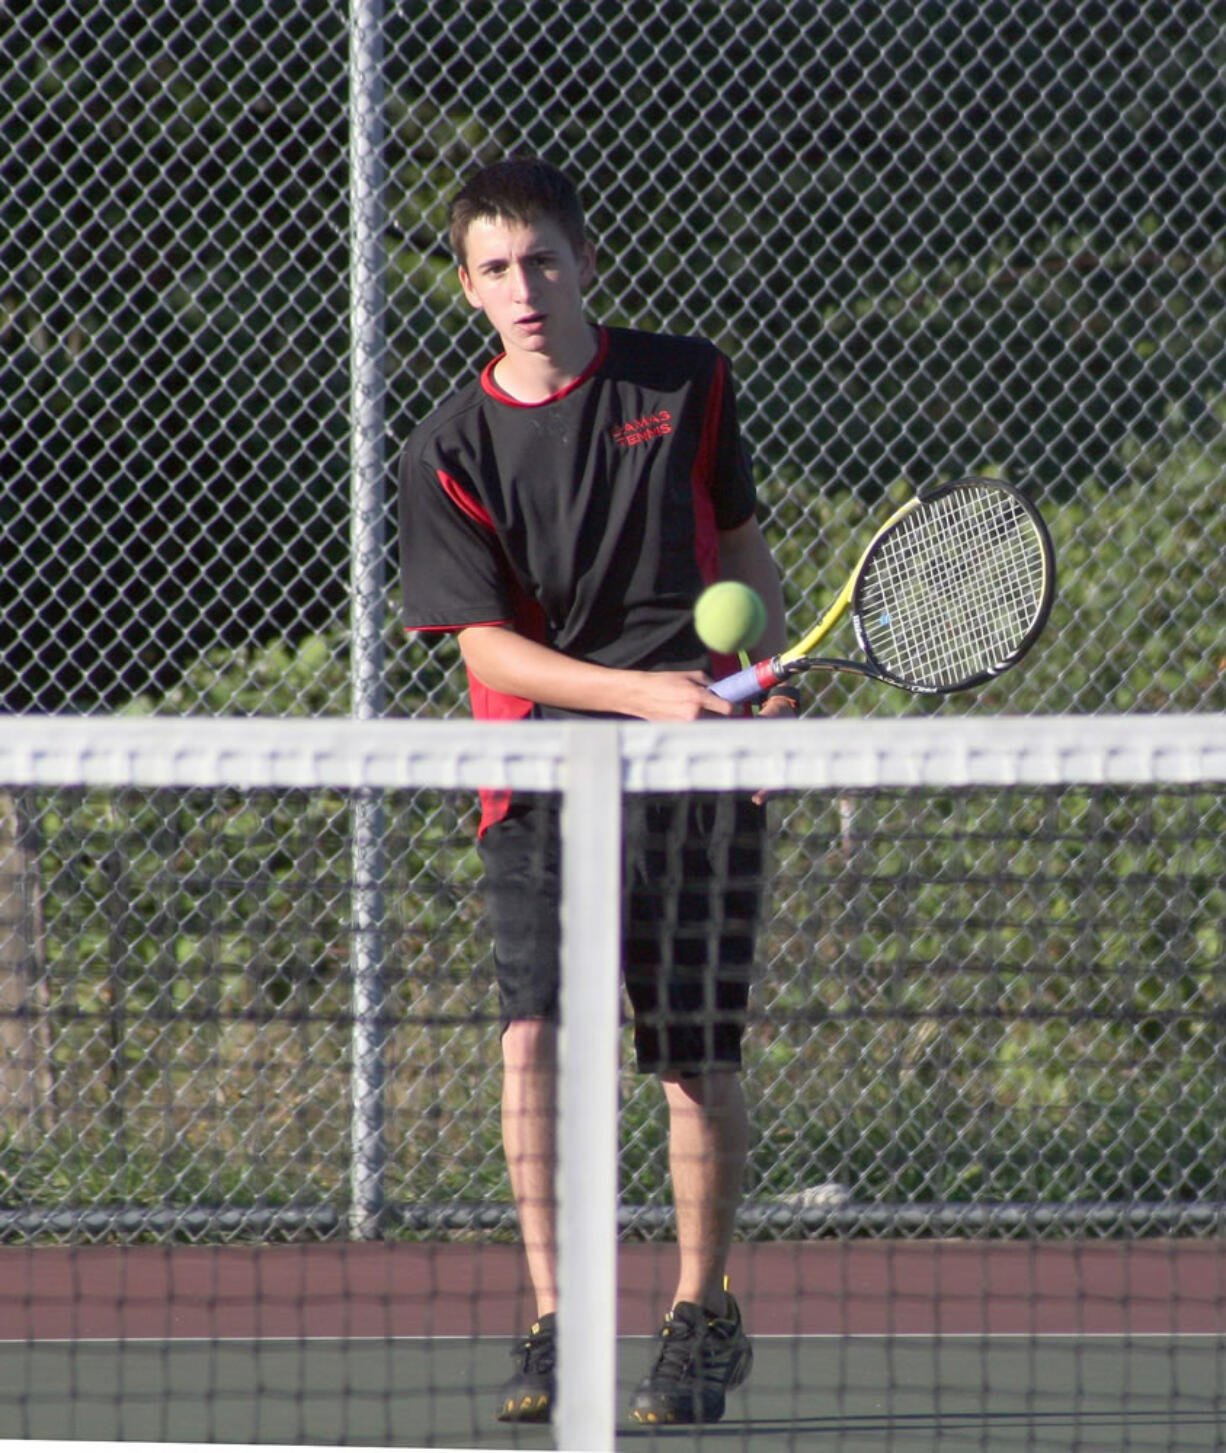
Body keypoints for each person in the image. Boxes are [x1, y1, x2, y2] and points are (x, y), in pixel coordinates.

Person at [396, 156, 797, 1427]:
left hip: (697, 776)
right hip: (538, 777)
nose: (525, 287)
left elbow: (737, 548)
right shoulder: (447, 447)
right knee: (533, 1041)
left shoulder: (685, 381)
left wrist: (764, 670)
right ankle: (559, 1318)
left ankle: (697, 1313)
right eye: (496, 268)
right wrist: (640, 697)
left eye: (543, 260)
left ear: (583, 259)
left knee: (690, 1055)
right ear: (466, 287)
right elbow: (482, 648)